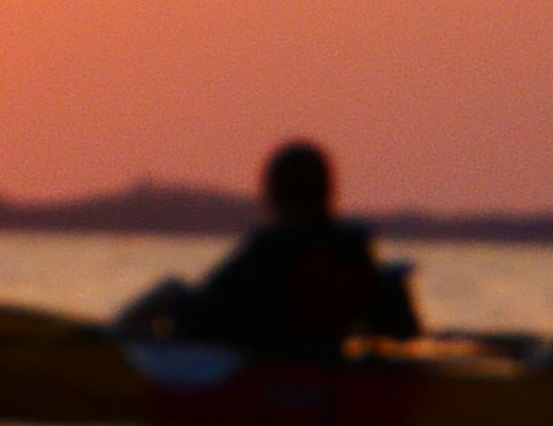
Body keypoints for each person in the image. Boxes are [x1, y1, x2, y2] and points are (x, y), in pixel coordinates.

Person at [177, 140, 420, 362]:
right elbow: (405, 330)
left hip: (272, 375)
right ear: (328, 193)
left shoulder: (269, 249)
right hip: (330, 366)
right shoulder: (352, 249)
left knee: (171, 292)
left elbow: (199, 314)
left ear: (273, 195)